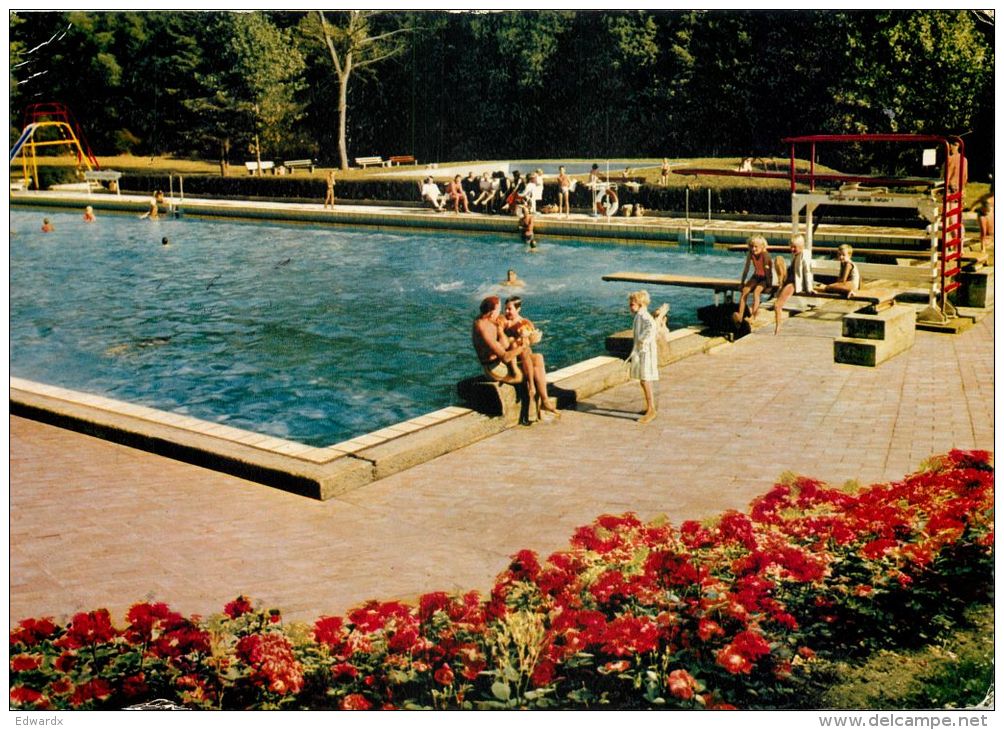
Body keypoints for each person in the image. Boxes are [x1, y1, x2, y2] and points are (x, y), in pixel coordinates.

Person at [502, 296, 560, 422]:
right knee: (529, 353)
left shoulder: (525, 323)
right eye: (505, 309)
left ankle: (544, 398)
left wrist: (532, 338)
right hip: (510, 359)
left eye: (509, 309)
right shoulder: (503, 322)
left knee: (538, 357)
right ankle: (538, 393)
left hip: (522, 357)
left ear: (518, 309)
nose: (506, 312)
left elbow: (529, 342)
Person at [472, 295, 527, 385]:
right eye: (499, 310)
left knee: (513, 340)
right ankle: (518, 379)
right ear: (492, 312)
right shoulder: (484, 329)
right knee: (526, 373)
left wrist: (501, 330)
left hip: (494, 364)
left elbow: (503, 344)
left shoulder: (483, 319)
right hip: (493, 369)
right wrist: (522, 347)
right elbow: (505, 357)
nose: (501, 312)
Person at [627, 290, 659, 424]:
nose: (630, 306)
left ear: (640, 303)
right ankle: (650, 408)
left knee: (645, 379)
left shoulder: (643, 316)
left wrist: (642, 341)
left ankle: (651, 410)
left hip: (646, 352)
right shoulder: (641, 315)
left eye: (632, 304)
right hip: (643, 351)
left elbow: (652, 327)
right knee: (644, 379)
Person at [773, 234, 814, 335]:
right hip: (789, 279)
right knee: (778, 259)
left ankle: (778, 328)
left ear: (801, 246)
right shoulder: (797, 255)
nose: (792, 249)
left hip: (794, 283)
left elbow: (807, 272)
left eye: (794, 247)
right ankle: (780, 282)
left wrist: (809, 288)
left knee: (777, 305)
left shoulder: (804, 256)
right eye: (791, 247)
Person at [734, 235, 772, 323]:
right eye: (751, 246)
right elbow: (746, 268)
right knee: (744, 291)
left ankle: (753, 315)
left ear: (762, 247)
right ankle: (740, 315)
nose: (753, 249)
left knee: (756, 292)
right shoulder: (750, 253)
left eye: (756, 247)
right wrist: (742, 282)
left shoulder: (765, 255)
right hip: (756, 276)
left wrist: (769, 285)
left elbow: (768, 272)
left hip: (765, 278)